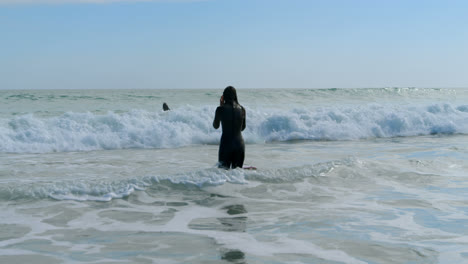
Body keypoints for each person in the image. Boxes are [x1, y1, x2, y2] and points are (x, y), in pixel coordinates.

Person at [213, 86, 246, 169]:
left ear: (224, 96)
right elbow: (242, 128)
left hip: (226, 145)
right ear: (235, 96)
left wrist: (221, 106)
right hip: (239, 145)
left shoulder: (220, 109)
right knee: (237, 175)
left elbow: (215, 126)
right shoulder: (242, 109)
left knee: (222, 174)